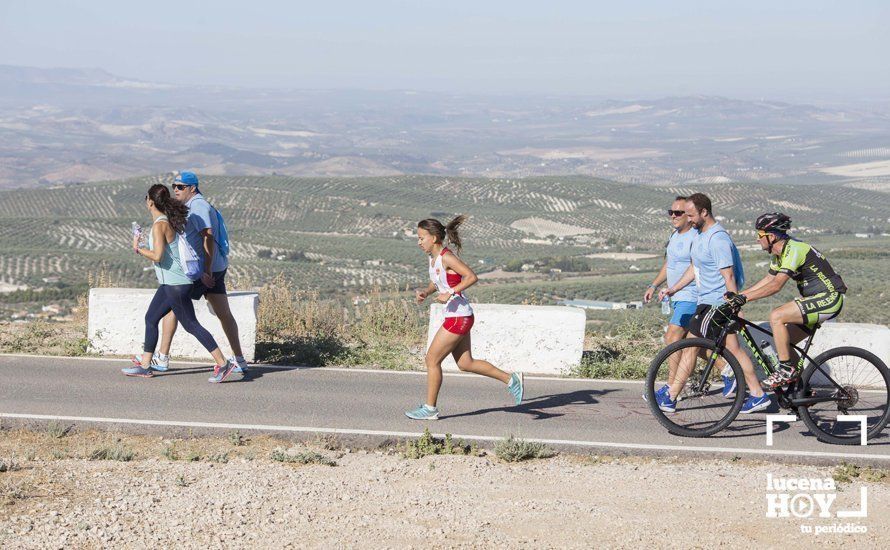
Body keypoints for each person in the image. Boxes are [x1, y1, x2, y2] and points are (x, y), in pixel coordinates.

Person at [658, 193, 770, 414]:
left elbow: (728, 276)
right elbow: (694, 267)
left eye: (691, 215)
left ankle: (671, 396)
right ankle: (758, 394)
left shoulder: (718, 239)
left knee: (691, 344)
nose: (688, 219)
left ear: (704, 212)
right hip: (705, 300)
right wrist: (674, 288)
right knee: (735, 351)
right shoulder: (700, 235)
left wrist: (735, 305)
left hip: (717, 303)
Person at [406, 216, 524, 420]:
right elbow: (438, 281)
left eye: (421, 238)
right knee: (465, 363)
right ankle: (511, 379)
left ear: (434, 238)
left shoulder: (446, 257)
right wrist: (427, 291)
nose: (419, 242)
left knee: (431, 359)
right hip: (458, 316)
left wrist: (451, 293)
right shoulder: (433, 259)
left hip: (458, 317)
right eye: (418, 238)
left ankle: (430, 409)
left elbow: (471, 276)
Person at [123, 184, 236, 383]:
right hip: (170, 283)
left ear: (150, 201)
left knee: (191, 325)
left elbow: (158, 256)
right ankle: (145, 365)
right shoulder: (165, 221)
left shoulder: (160, 225)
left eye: (146, 198)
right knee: (151, 318)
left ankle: (223, 362)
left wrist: (138, 248)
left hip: (176, 284)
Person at [723, 212, 847, 388]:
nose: (757, 239)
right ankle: (803, 389)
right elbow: (768, 280)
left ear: (771, 236)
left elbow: (776, 286)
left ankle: (786, 370)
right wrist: (739, 296)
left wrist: (744, 298)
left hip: (829, 298)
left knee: (777, 316)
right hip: (817, 299)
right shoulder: (778, 254)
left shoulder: (794, 249)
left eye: (759, 235)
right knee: (786, 341)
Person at [147, 171, 248, 376]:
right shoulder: (195, 205)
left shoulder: (198, 206)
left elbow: (207, 237)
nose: (176, 190)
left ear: (193, 188)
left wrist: (206, 270)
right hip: (216, 266)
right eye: (174, 186)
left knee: (176, 307)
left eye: (181, 187)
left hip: (204, 269)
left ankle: (163, 358)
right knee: (223, 314)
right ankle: (239, 360)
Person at [642, 196, 698, 401]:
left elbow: (695, 267)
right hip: (676, 296)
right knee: (694, 345)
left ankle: (671, 387)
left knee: (672, 337)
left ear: (689, 215)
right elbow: (669, 264)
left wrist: (674, 287)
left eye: (678, 213)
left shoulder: (695, 237)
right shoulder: (675, 235)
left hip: (691, 295)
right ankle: (731, 373)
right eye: (670, 212)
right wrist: (654, 285)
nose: (673, 216)